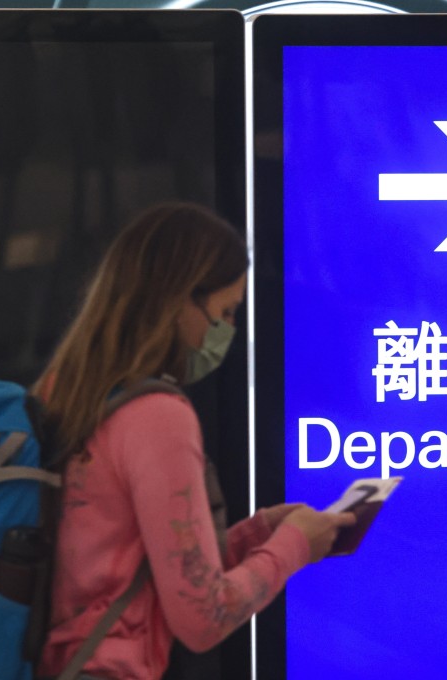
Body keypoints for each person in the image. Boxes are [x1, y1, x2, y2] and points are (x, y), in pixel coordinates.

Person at [33, 202, 355, 680]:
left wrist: (258, 532)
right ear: (181, 299)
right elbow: (204, 618)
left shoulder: (65, 389)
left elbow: (137, 568)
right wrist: (294, 548)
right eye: (224, 312)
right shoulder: (157, 416)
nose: (226, 332)